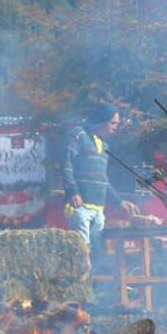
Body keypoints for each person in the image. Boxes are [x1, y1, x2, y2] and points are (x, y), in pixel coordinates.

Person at [62, 102, 140, 261]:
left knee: (97, 252)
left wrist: (119, 201)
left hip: (98, 208)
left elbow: (103, 179)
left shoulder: (104, 146)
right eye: (113, 123)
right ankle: (82, 277)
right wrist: (73, 191)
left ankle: (94, 277)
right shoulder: (79, 135)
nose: (116, 127)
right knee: (82, 251)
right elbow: (66, 164)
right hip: (80, 207)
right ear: (101, 121)